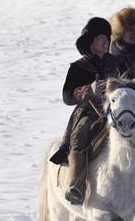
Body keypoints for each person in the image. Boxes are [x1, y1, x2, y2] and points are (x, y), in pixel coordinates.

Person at [51, 17, 120, 205]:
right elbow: (67, 96)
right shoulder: (78, 67)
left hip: (119, 110)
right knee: (79, 136)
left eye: (107, 37)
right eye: (100, 38)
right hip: (90, 112)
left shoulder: (118, 63)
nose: (106, 41)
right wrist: (87, 90)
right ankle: (76, 187)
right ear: (90, 42)